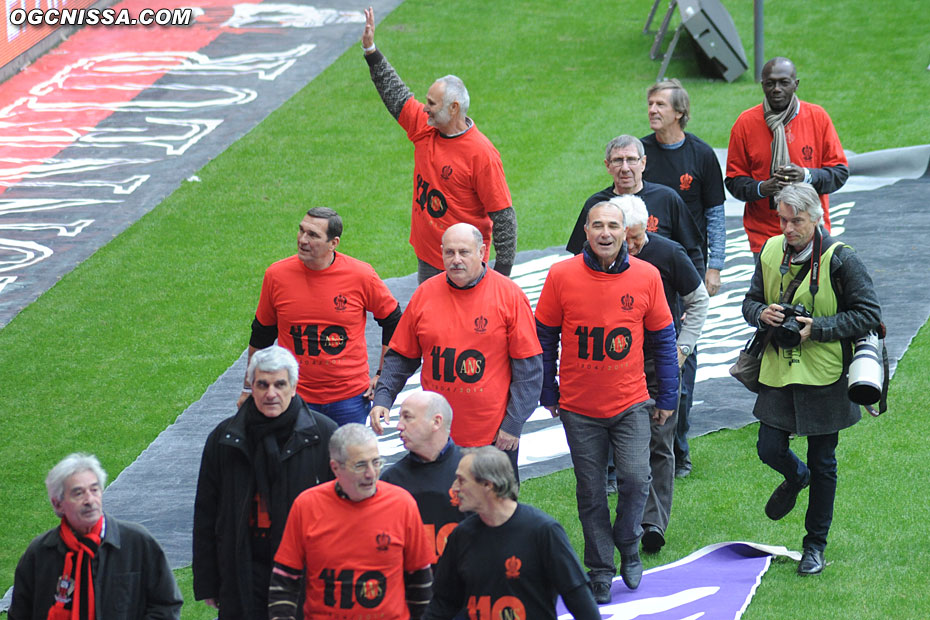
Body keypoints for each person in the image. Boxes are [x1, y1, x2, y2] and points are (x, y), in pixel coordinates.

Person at [536, 201, 679, 603]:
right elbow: (544, 338)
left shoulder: (647, 276)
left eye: (613, 226)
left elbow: (664, 341)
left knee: (635, 478)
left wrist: (667, 395)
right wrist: (549, 390)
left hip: (631, 403)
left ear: (625, 232)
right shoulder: (560, 275)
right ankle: (599, 569)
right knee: (591, 491)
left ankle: (629, 544)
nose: (605, 233)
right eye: (597, 225)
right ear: (585, 230)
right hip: (578, 407)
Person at [741, 182, 880, 575]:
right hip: (779, 371)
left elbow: (869, 314)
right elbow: (749, 301)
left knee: (824, 462)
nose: (787, 228)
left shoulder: (841, 260)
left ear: (816, 217)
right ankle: (793, 475)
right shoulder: (769, 251)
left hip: (825, 375)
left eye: (796, 221)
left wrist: (815, 328)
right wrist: (760, 314)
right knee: (769, 448)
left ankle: (814, 546)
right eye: (782, 219)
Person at [371, 223, 542, 481]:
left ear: (482, 252)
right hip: (434, 438)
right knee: (436, 512)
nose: (456, 260)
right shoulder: (425, 294)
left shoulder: (509, 296)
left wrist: (513, 424)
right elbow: (402, 356)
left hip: (492, 440)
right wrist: (383, 398)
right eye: (449, 253)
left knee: (493, 515)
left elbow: (529, 370)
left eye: (464, 252)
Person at [362, 7, 517, 284]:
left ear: (454, 108)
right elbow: (396, 94)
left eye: (432, 103)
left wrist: (502, 279)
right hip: (430, 257)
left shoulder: (481, 154)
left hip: (464, 263)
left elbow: (503, 217)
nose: (426, 109)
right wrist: (371, 51)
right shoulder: (425, 125)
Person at [193, 346, 337, 618]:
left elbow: (345, 515)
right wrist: (208, 581)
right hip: (242, 569)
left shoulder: (326, 435)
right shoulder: (223, 439)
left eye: (280, 384)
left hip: (307, 573)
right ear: (251, 387)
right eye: (263, 384)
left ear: (294, 387)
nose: (271, 393)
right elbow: (206, 513)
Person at [240, 207, 401, 426]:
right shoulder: (276, 276)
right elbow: (262, 334)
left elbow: (393, 321)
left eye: (313, 235)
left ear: (333, 243)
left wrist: (383, 376)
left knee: (348, 460)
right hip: (294, 397)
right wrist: (249, 388)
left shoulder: (361, 275)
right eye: (301, 230)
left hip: (350, 399)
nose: (303, 240)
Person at [615, 195, 709, 554]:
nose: (635, 247)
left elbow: (699, 300)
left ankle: (653, 523)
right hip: (617, 366)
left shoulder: (669, 253)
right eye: (629, 239)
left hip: (659, 364)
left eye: (638, 237)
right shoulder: (600, 258)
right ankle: (629, 516)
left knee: (659, 439)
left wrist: (682, 349)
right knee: (624, 446)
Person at [641, 80, 725, 478]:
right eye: (650, 103)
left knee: (681, 362)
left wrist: (715, 266)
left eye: (660, 104)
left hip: (686, 270)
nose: (653, 110)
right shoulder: (640, 154)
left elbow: (714, 215)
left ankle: (680, 449)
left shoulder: (702, 155)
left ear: (679, 112)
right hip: (644, 273)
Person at [268, 423, 436, 619]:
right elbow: (284, 581)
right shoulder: (307, 506)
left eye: (376, 462)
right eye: (360, 465)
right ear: (335, 468)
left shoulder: (403, 504)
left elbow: (421, 582)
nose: (371, 474)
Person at [423, 447, 600, 620]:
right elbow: (444, 603)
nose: (454, 488)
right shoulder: (461, 536)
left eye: (461, 481)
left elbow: (578, 598)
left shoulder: (543, 531)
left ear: (487, 484)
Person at [9, 453, 182, 620]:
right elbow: (19, 613)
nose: (89, 500)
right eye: (78, 493)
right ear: (58, 503)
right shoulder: (40, 553)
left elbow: (167, 606)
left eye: (94, 490)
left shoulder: (138, 543)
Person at [726, 57, 848, 255]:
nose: (776, 89)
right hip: (765, 238)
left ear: (795, 84)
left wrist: (806, 176)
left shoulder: (818, 118)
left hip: (811, 233)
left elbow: (839, 173)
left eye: (783, 82)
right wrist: (762, 188)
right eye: (770, 83)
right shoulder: (745, 124)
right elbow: (733, 181)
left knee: (814, 287)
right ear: (762, 85)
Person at [566, 134, 705, 279]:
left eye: (631, 160)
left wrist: (696, 290)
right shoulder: (595, 205)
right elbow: (580, 256)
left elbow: (693, 251)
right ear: (608, 166)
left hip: (661, 292)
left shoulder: (667, 199)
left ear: (643, 163)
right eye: (618, 161)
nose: (625, 168)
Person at [380, 391, 465, 561]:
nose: (399, 426)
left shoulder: (475, 472)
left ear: (436, 422)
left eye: (408, 417)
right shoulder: (390, 481)